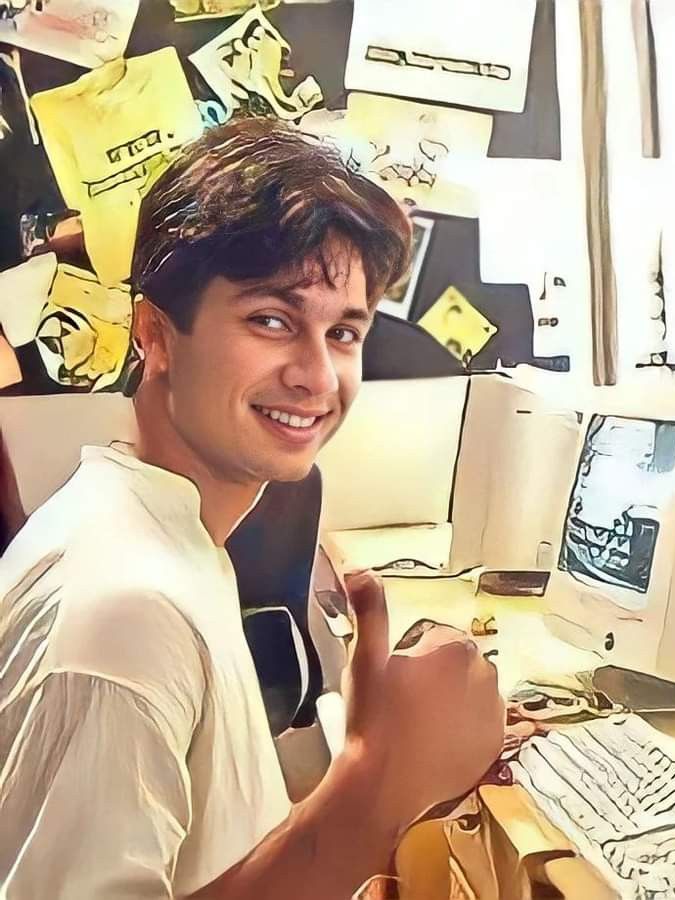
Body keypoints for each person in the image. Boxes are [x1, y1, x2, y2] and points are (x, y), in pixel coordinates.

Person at [0, 117, 504, 899]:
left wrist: (407, 761)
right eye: (271, 320)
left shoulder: (171, 532)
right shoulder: (120, 614)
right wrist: (372, 792)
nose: (316, 375)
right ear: (155, 336)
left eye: (343, 332)